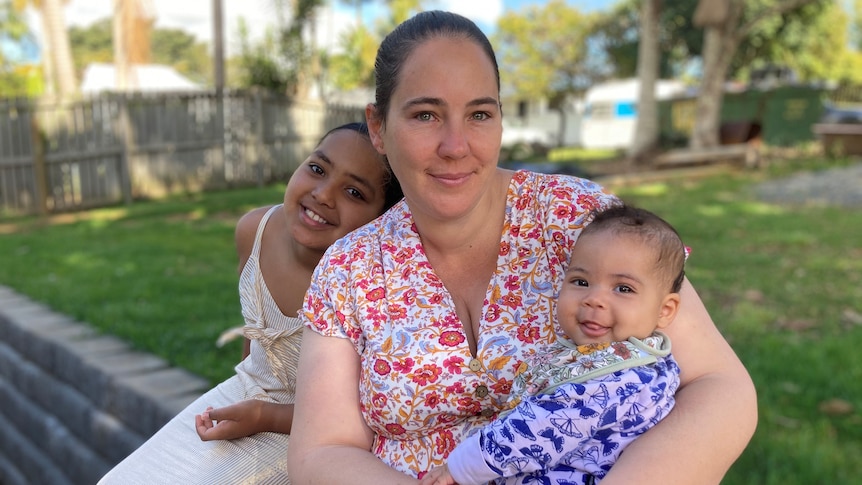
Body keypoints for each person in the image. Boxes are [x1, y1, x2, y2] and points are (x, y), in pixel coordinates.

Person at [286, 10, 757, 484]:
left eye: (480, 114)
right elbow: (322, 451)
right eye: (425, 115)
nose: (456, 145)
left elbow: (719, 387)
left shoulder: (580, 219)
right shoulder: (351, 270)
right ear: (378, 126)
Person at [98, 122, 402, 484]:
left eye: (354, 191)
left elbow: (366, 416)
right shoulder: (255, 229)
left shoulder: (369, 286)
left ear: (382, 219)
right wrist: (245, 407)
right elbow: (254, 343)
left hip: (314, 434)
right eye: (317, 169)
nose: (322, 194)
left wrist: (264, 416)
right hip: (243, 400)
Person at [419, 205, 686, 485]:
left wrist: (460, 467)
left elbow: (538, 430)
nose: (594, 299)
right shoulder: (616, 357)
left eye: (623, 288)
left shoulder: (619, 379)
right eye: (581, 281)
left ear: (665, 310)